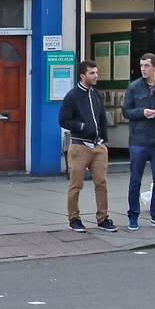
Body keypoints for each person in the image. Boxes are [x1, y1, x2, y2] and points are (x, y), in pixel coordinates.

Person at [58, 59, 114, 231]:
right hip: (80, 146)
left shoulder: (97, 94)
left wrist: (104, 139)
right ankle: (74, 218)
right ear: (83, 76)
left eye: (96, 72)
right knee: (76, 184)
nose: (96, 76)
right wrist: (82, 126)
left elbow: (102, 118)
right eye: (92, 73)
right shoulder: (72, 96)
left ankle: (102, 218)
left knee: (101, 183)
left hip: (98, 146)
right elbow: (63, 120)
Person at [122, 53, 155, 229]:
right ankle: (133, 215)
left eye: (146, 66)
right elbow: (126, 111)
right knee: (135, 181)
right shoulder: (134, 87)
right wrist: (142, 112)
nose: (143, 69)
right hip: (139, 140)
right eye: (141, 66)